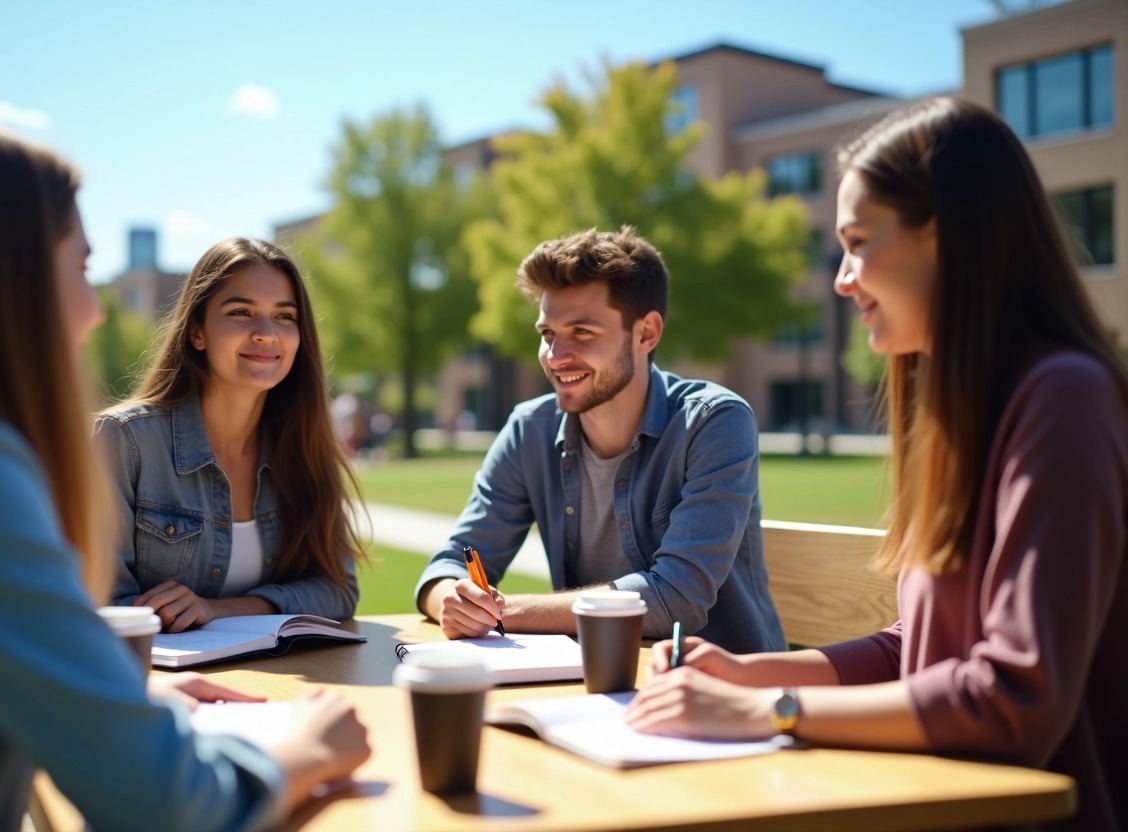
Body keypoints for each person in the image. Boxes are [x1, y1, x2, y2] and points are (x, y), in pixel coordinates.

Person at [626, 98, 1127, 832]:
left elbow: (1014, 698)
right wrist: (754, 671)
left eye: (859, 243)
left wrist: (765, 710)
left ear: (949, 239)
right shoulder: (956, 410)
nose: (842, 279)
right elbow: (919, 648)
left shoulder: (1065, 400)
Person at [0, 109, 370, 831]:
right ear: (5, 278)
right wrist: (299, 754)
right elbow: (166, 806)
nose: (95, 312)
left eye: (284, 318)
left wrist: (139, 701)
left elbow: (339, 587)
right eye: (81, 268)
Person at [415, 227, 786, 653]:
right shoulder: (528, 430)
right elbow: (449, 564)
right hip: (593, 686)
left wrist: (502, 612)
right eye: (547, 334)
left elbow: (676, 598)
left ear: (646, 333)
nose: (554, 357)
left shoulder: (713, 422)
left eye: (582, 332)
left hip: (725, 696)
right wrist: (453, 600)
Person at [95, 237, 368, 632]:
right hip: (159, 684)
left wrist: (218, 609)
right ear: (197, 333)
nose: (265, 332)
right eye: (241, 312)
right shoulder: (124, 441)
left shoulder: (305, 445)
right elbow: (99, 602)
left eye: (285, 316)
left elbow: (339, 589)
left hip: (279, 684)